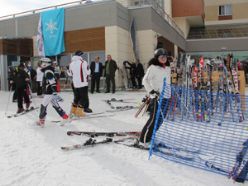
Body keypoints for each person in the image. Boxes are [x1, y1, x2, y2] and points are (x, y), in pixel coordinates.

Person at [139, 48, 171, 145]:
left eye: (165, 57)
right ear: (157, 58)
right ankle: (143, 140)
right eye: (161, 57)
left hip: (166, 97)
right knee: (153, 119)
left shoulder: (167, 68)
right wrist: (152, 91)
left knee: (161, 119)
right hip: (157, 98)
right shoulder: (153, 68)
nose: (163, 58)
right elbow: (145, 81)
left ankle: (151, 136)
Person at [37, 58, 68, 127]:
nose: (40, 64)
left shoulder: (47, 71)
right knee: (55, 106)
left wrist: (54, 93)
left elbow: (52, 82)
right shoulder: (48, 70)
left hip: (49, 93)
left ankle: (41, 121)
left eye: (41, 62)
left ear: (45, 63)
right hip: (50, 92)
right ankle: (65, 117)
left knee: (43, 106)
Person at [69, 50, 92, 116]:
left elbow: (70, 74)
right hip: (82, 83)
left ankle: (73, 110)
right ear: (80, 55)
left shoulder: (71, 63)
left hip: (75, 83)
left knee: (77, 97)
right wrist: (89, 69)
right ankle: (79, 112)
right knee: (84, 98)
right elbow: (88, 72)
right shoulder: (83, 62)